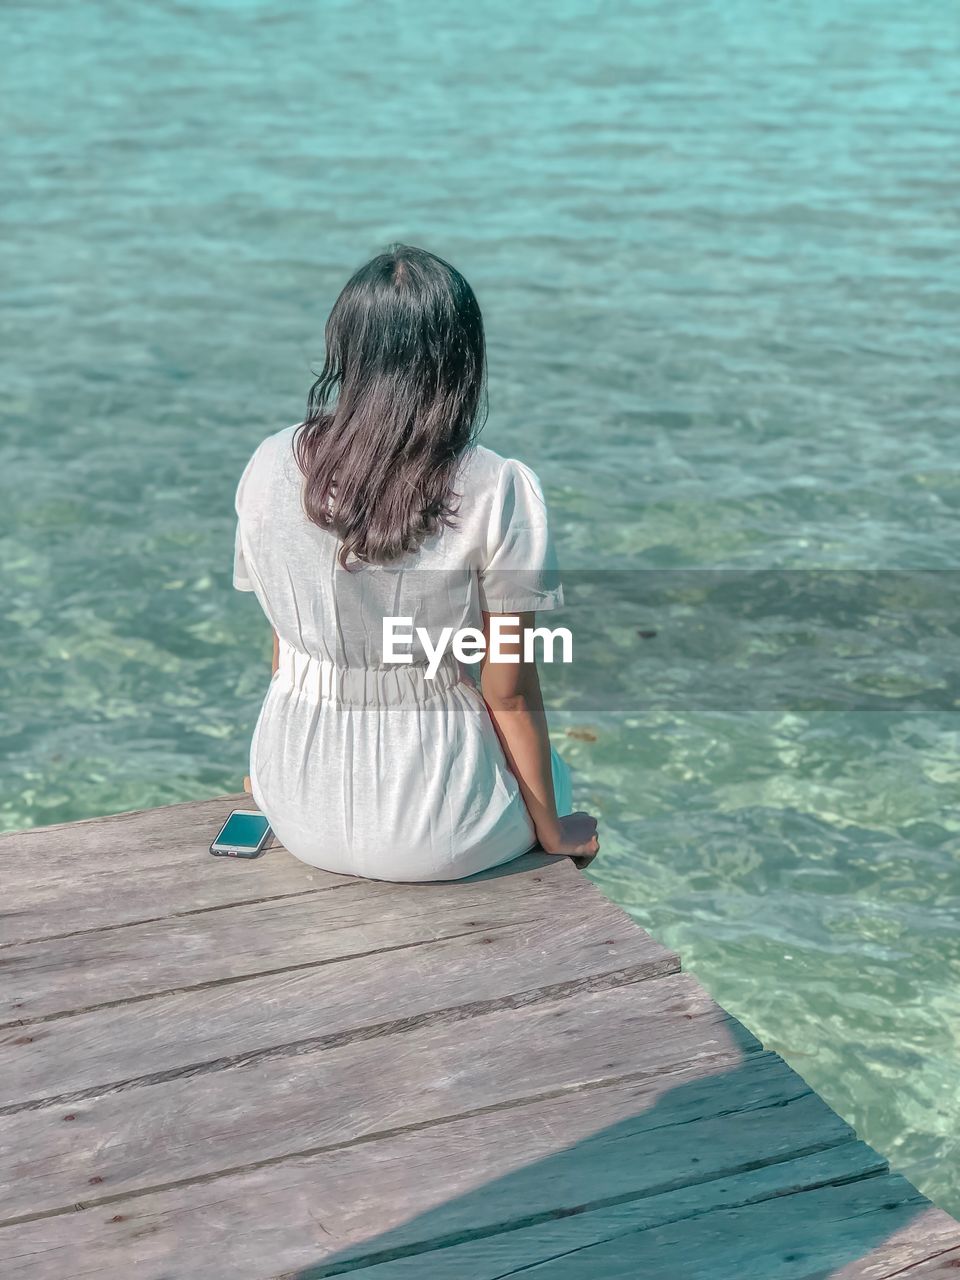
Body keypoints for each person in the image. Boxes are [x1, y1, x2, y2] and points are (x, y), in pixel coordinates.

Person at [232, 243, 599, 881]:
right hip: (441, 822)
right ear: (462, 358)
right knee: (558, 784)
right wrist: (554, 831)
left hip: (295, 796)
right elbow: (506, 693)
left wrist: (270, 769)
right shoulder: (498, 487)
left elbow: (286, 645)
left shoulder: (270, 464)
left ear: (346, 346)